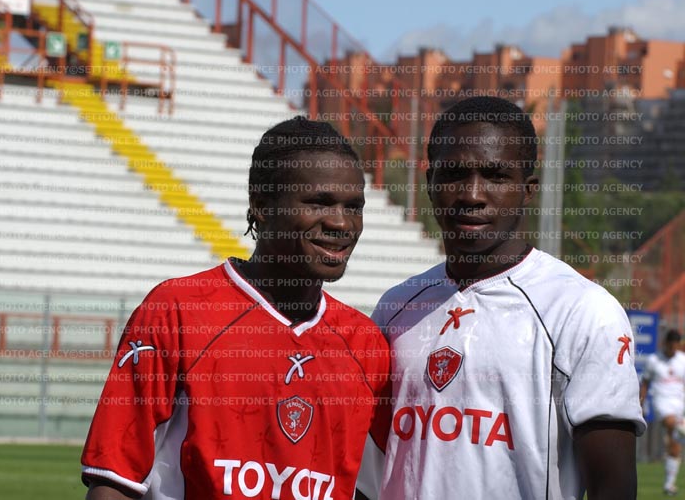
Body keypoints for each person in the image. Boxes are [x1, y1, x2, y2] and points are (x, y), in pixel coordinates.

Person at [81, 116, 390, 500]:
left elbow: (370, 488)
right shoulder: (177, 311)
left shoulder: (366, 345)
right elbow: (114, 480)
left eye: (354, 206)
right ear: (261, 205)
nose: (341, 222)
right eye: (318, 202)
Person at [367, 96, 645, 499]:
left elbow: (613, 486)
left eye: (496, 176)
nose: (472, 195)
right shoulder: (396, 308)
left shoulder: (581, 310)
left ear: (528, 190)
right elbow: (370, 470)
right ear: (430, 184)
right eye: (454, 174)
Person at [640, 330, 685, 495]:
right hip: (661, 402)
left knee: (675, 446)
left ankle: (669, 485)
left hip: (679, 403)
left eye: (676, 346)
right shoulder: (653, 360)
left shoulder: (682, 360)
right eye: (670, 345)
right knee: (672, 424)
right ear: (665, 343)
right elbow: (645, 383)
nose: (673, 349)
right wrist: (640, 403)